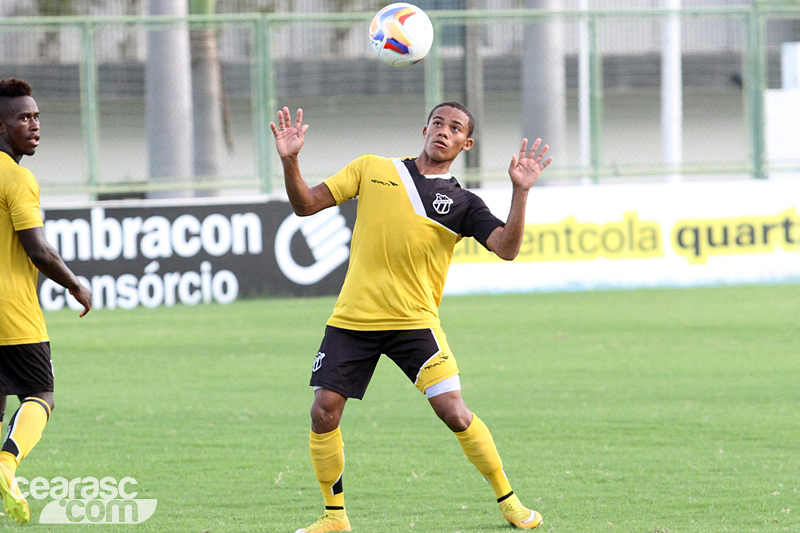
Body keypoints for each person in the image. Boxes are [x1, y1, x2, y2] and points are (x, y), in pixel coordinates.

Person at [271, 102, 552, 533]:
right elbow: (306, 204)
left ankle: (510, 502)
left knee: (455, 413)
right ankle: (334, 517)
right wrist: (291, 161)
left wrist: (521, 191)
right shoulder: (372, 168)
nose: (444, 131)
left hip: (414, 324)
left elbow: (507, 248)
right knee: (323, 412)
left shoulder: (464, 203)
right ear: (424, 128)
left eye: (455, 128)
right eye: (438, 123)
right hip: (353, 320)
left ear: (466, 143)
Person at [0, 78, 92, 523]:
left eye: (37, 116)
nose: (35, 125)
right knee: (41, 394)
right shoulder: (16, 178)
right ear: (1, 126)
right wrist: (74, 284)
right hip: (12, 314)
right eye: (24, 117)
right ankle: (6, 463)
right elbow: (38, 249)